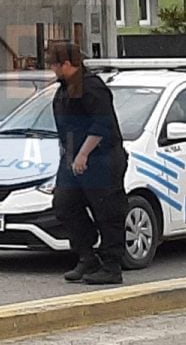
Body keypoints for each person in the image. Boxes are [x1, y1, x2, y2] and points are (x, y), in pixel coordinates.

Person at [48, 42, 128, 285]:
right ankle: (87, 256)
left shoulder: (91, 87)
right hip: (73, 159)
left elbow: (101, 124)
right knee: (63, 205)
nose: (51, 69)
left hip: (101, 159)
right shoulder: (63, 89)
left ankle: (111, 266)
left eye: (53, 64)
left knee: (108, 212)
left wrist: (83, 154)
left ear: (67, 64)